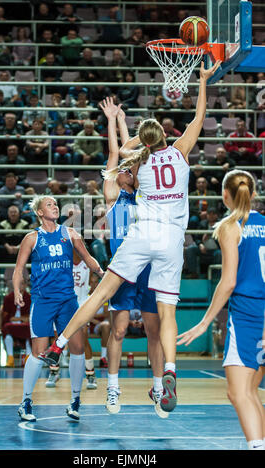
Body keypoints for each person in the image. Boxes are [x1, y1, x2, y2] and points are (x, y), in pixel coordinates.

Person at [38, 60, 221, 416]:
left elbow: (122, 151)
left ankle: (59, 344)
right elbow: (200, 115)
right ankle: (169, 371)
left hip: (141, 236)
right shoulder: (181, 152)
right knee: (167, 315)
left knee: (100, 293)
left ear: (145, 142)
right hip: (171, 240)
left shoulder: (137, 162)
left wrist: (131, 131)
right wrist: (201, 82)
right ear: (166, 138)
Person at [177, 169, 265, 451]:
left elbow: (227, 282)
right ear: (253, 194)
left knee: (239, 393)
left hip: (248, 315)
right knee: (250, 392)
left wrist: (204, 322)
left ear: (224, 195)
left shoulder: (230, 226)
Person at [97, 98, 166, 417]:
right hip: (123, 270)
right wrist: (112, 120)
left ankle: (158, 387)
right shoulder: (113, 195)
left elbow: (138, 152)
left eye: (130, 168)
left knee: (154, 331)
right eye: (122, 170)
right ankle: (112, 387)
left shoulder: (145, 191)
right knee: (120, 330)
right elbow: (117, 154)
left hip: (149, 268)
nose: (126, 170)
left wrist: (128, 124)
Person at [14, 195, 104, 422]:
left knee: (77, 348)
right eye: (49, 204)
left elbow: (88, 258)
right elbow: (18, 269)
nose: (55, 207)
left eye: (55, 204)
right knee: (39, 351)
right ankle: (25, 401)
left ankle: (75, 400)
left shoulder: (70, 234)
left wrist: (102, 274)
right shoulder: (32, 238)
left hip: (67, 301)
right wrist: (17, 290)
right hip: (43, 300)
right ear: (40, 212)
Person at [1, 279, 31, 367]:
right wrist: (16, 319)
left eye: (22, 284)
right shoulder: (8, 297)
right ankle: (10, 358)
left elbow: (30, 316)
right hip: (11, 324)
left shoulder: (29, 298)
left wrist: (19, 318)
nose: (20, 286)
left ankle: (28, 358)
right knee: (7, 328)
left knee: (29, 330)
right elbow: (6, 316)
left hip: (24, 325)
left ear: (25, 285)